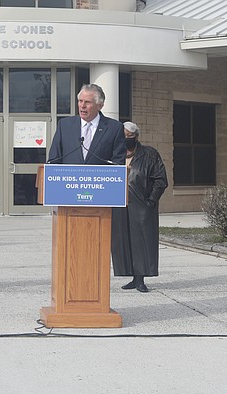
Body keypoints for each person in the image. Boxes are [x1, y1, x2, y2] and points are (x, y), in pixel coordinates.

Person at [111, 121, 168, 292]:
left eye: (129, 136)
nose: (126, 139)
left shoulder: (149, 154)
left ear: (136, 137)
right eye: (123, 136)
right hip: (119, 204)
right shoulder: (115, 155)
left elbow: (161, 180)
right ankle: (132, 276)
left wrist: (151, 201)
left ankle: (141, 278)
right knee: (124, 241)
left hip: (141, 205)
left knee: (141, 241)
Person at [48, 83, 126, 165]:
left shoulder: (114, 129)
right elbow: (54, 159)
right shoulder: (64, 126)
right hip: (69, 177)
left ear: (99, 106)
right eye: (80, 101)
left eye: (87, 102)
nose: (82, 106)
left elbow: (118, 163)